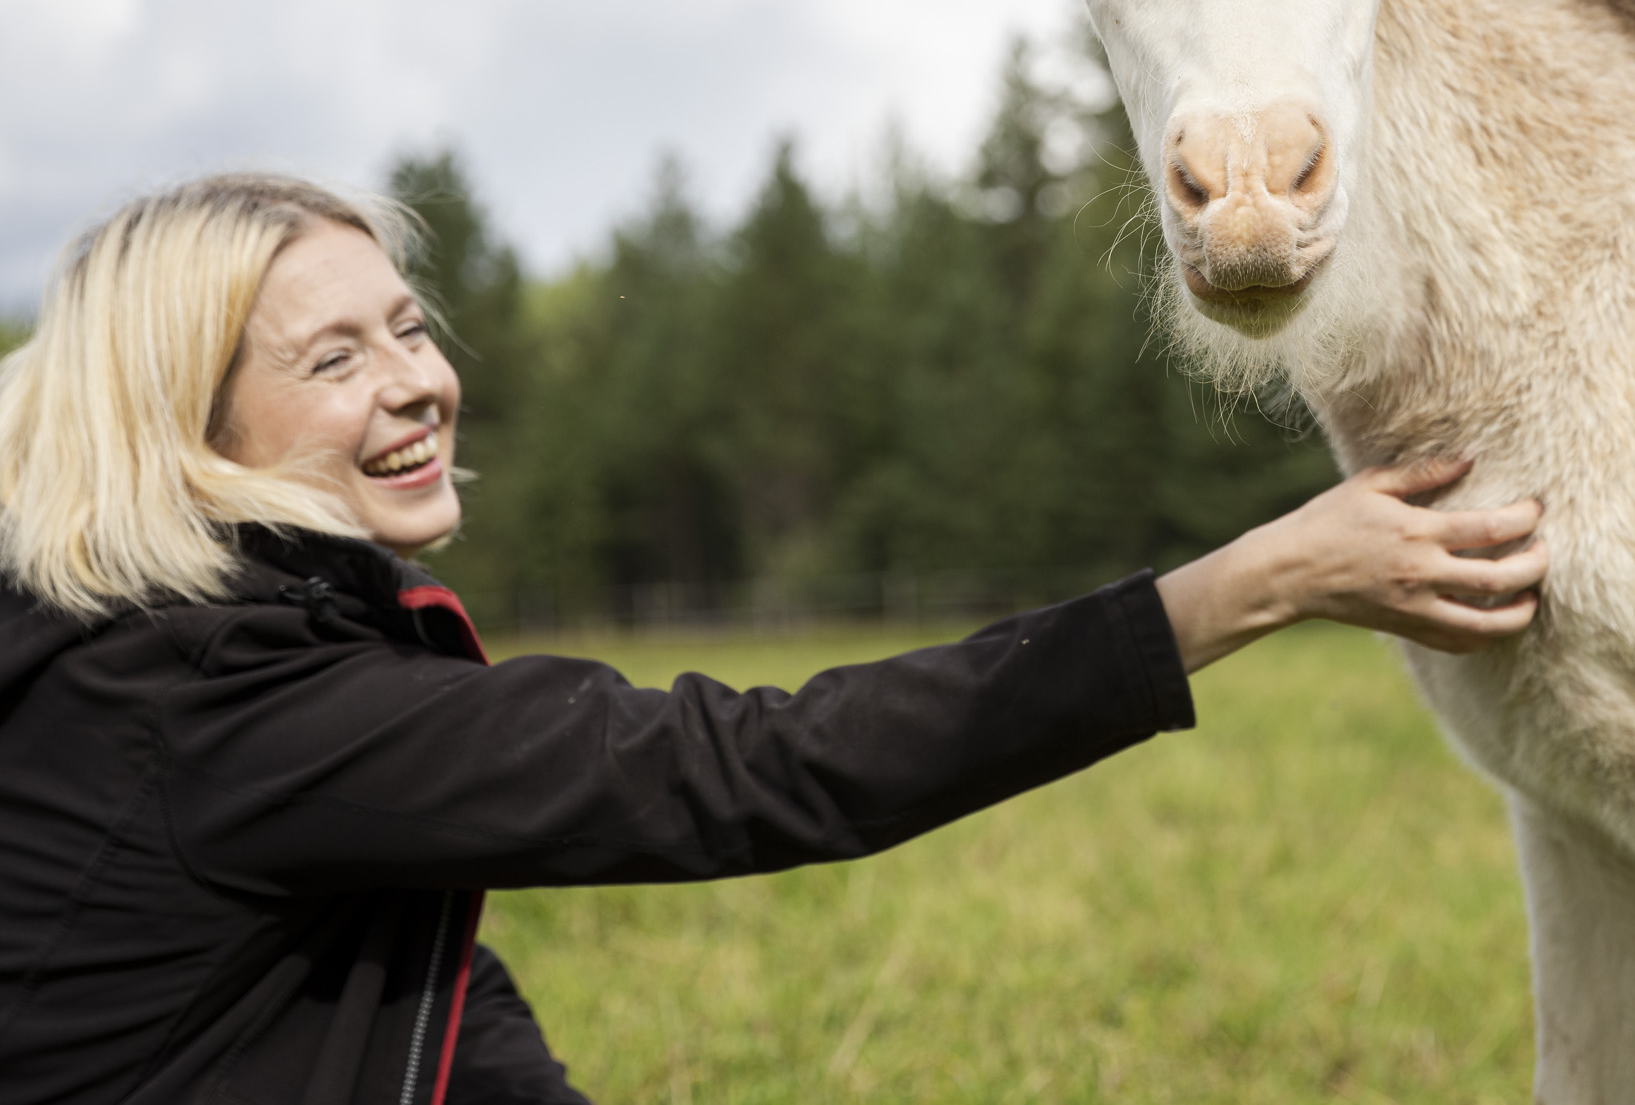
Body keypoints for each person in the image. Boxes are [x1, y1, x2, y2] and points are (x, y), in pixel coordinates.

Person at [0, 174, 1545, 1104]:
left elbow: (405, 985)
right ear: (186, 431)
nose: (410, 381)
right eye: (331, 358)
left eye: (406, 326)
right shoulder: (226, 700)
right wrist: (1247, 585)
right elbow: (758, 768)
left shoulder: (167, 642)